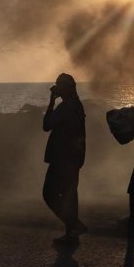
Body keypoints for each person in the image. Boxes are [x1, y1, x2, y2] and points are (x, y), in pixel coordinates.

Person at [42, 73, 87, 244]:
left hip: (62, 157)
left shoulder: (66, 107)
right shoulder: (77, 105)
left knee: (49, 193)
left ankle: (73, 224)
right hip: (74, 157)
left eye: (59, 85)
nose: (56, 87)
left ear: (66, 88)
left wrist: (52, 102)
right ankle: (71, 234)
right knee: (70, 194)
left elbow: (46, 126)